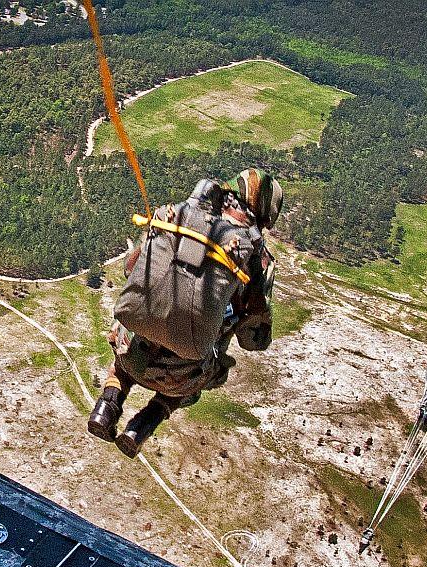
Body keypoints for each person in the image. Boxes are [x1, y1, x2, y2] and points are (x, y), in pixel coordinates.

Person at [88, 169, 283, 458]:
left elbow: (132, 270)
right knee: (215, 371)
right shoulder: (257, 260)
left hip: (131, 354)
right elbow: (254, 341)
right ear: (265, 215)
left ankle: (107, 406)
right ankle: (144, 423)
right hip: (183, 376)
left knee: (123, 353)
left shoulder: (179, 219)